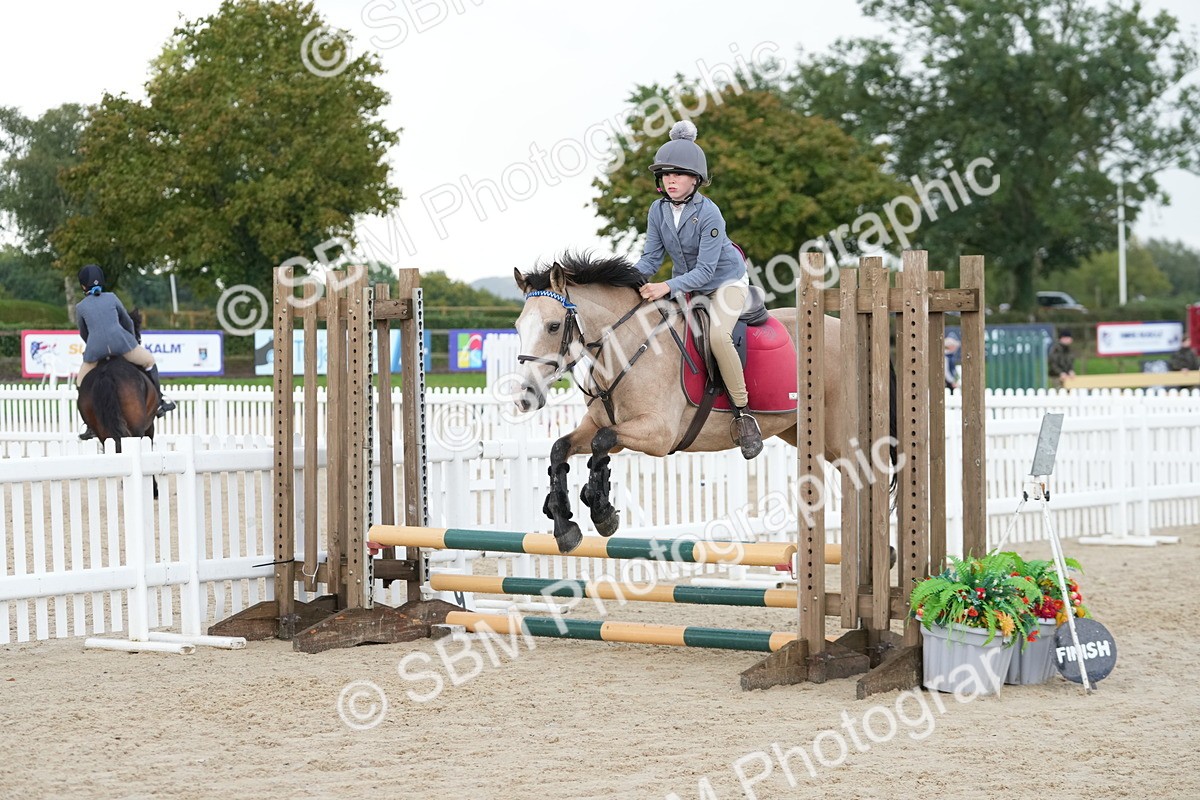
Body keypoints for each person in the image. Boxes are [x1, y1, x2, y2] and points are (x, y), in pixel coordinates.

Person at [632, 120, 761, 459]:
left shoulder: (710, 214)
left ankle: (743, 413)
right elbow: (649, 259)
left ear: (695, 179)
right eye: (666, 175)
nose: (670, 181)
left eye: (678, 175)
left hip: (725, 283)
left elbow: (705, 271)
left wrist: (665, 286)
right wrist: (623, 280)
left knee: (718, 337)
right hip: (685, 284)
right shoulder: (657, 211)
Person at [75, 264, 176, 439]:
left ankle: (90, 425)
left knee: (80, 381)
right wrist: (131, 339)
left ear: (83, 286)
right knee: (149, 361)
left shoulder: (81, 307)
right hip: (122, 345)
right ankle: (159, 402)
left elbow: (83, 332)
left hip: (95, 351)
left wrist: (92, 345)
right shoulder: (112, 298)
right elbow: (127, 321)